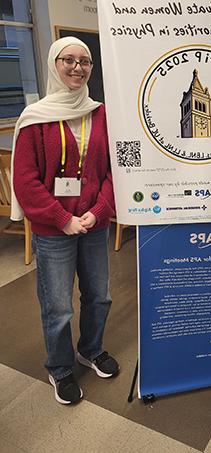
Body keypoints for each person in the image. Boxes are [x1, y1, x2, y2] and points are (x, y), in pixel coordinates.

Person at [11, 36, 119, 405]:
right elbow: (25, 182)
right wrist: (62, 218)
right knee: (57, 304)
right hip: (54, 230)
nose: (77, 67)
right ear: (54, 65)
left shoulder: (101, 112)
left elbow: (114, 170)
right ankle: (59, 367)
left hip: (94, 224)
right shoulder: (36, 117)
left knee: (99, 296)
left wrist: (98, 211)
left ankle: (90, 349)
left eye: (85, 61)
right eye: (68, 60)